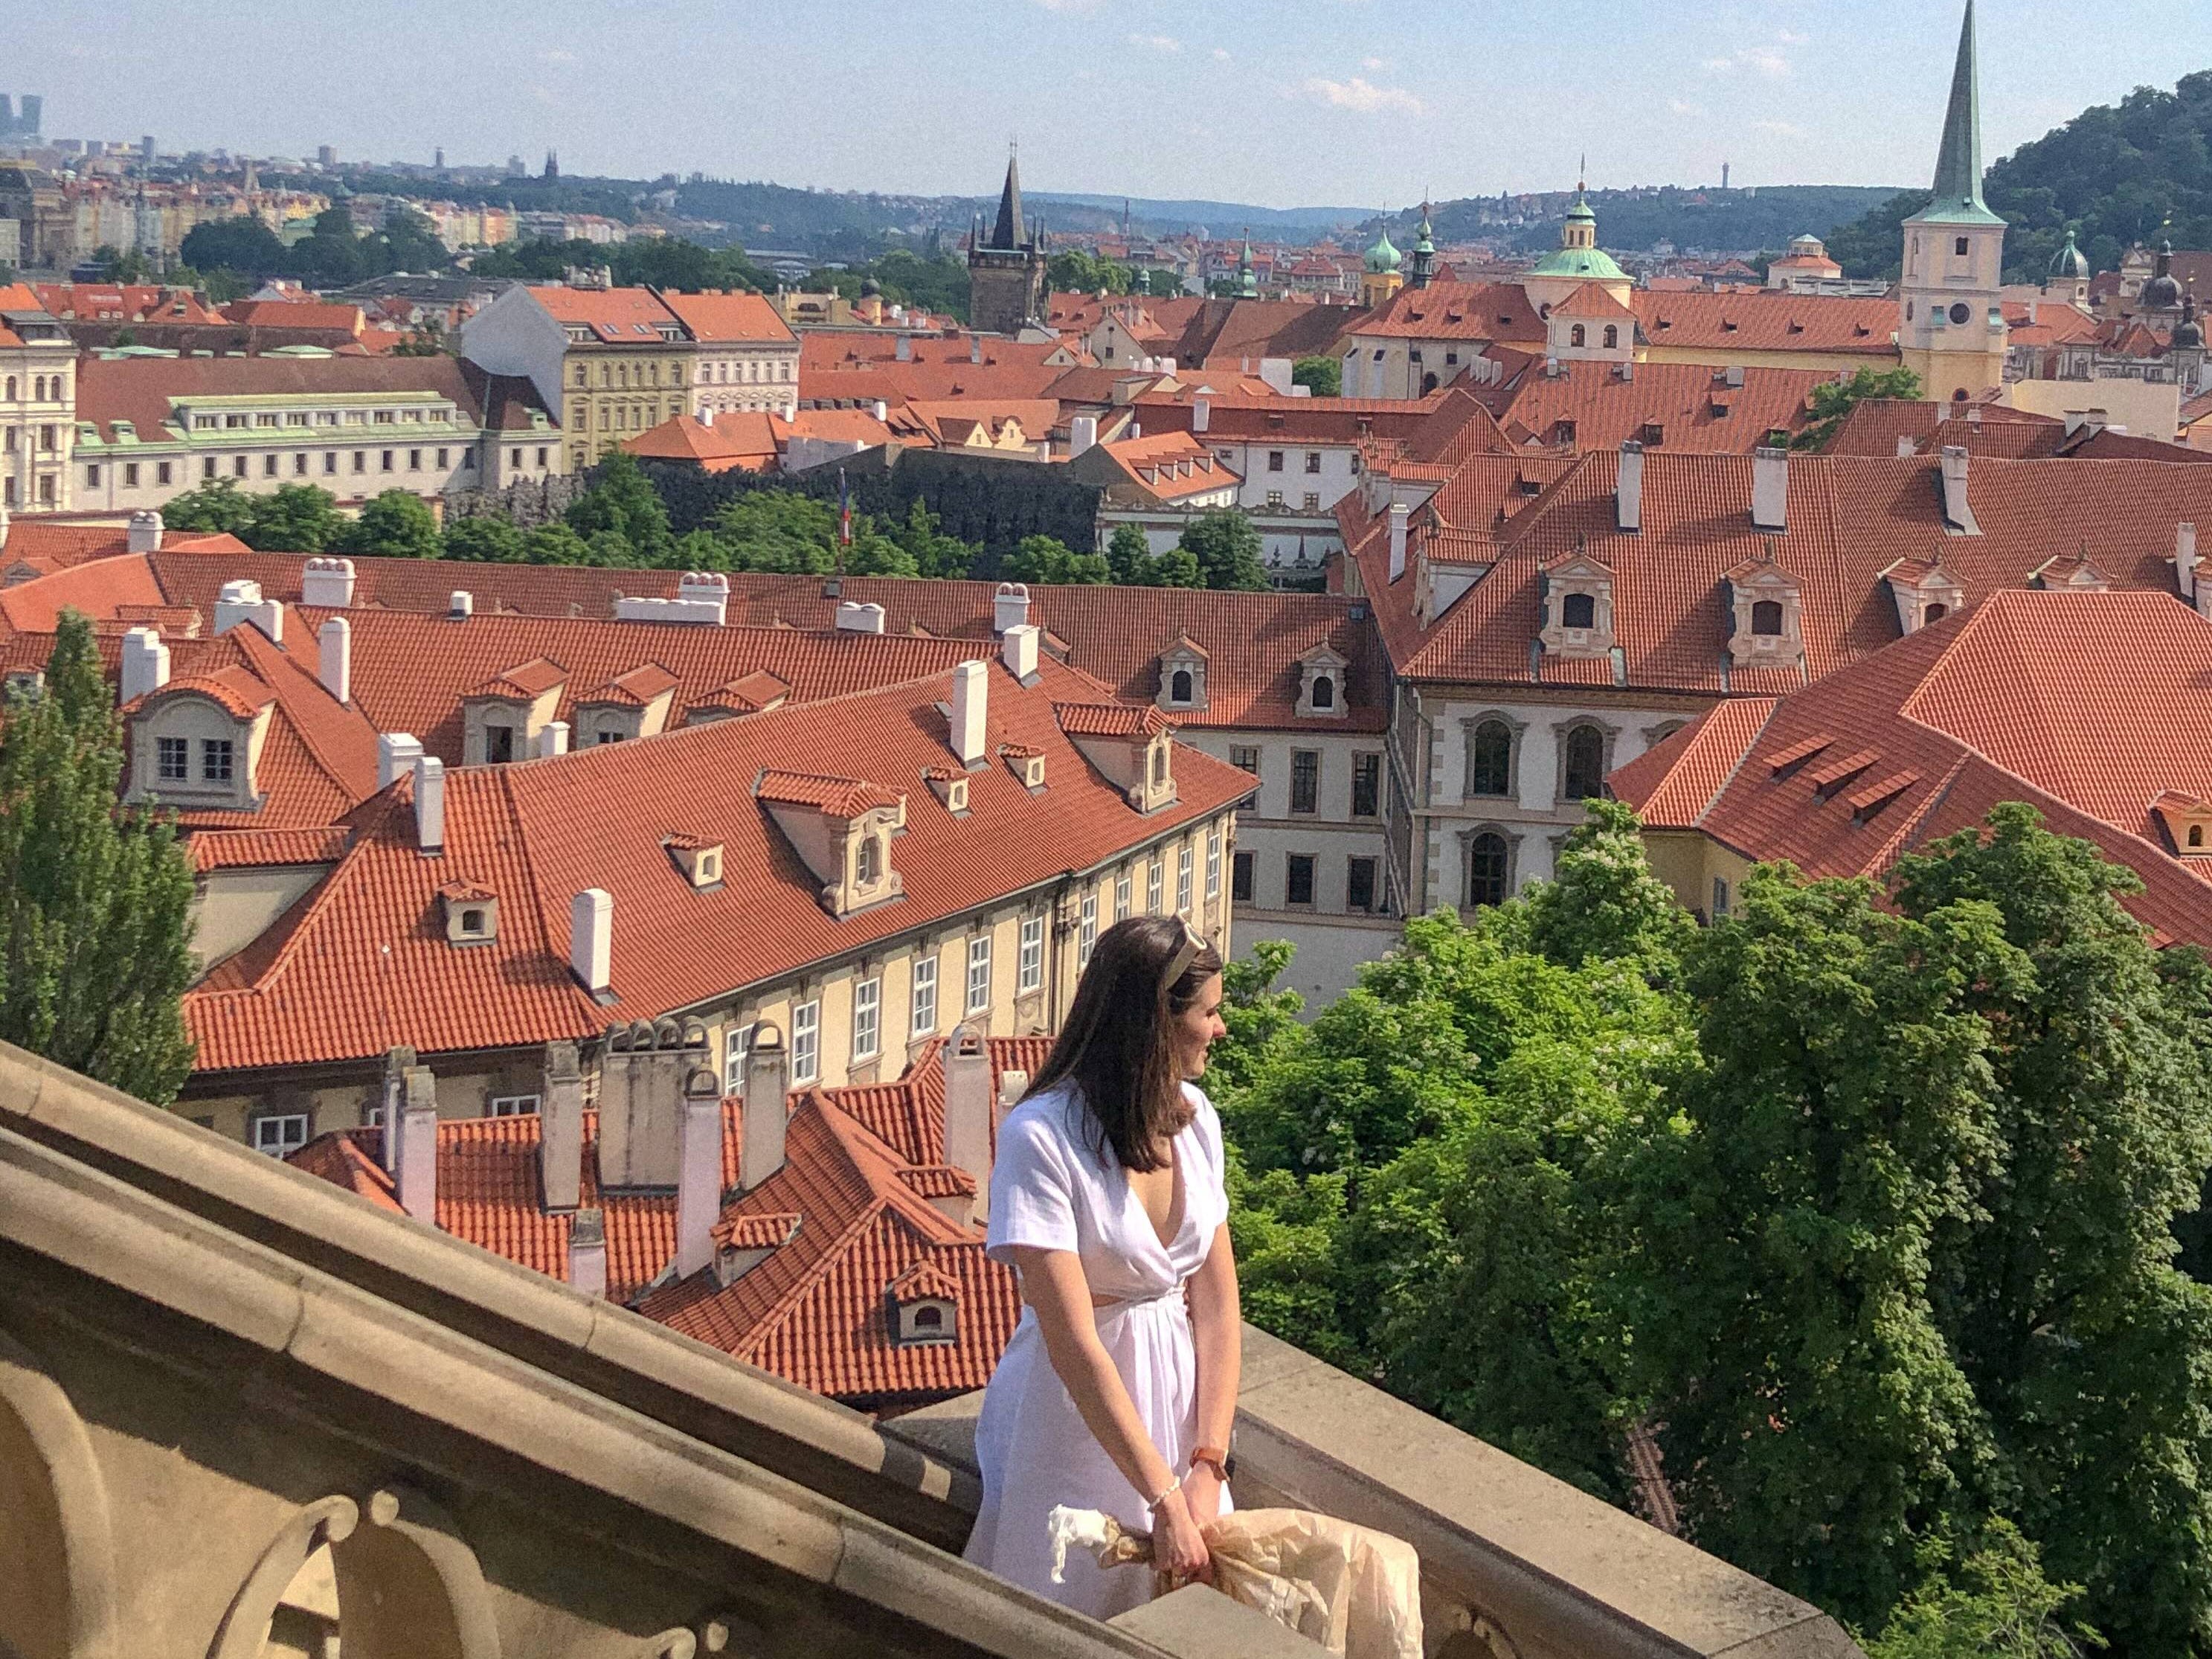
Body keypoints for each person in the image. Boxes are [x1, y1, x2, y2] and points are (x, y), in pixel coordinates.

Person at [962, 914, 1241, 1619]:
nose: (1221, 1030)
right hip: (1071, 1424)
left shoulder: (1197, 1119)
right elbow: (1073, 1342)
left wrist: (1206, 1466)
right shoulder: (1040, 1137)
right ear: (1156, 1022)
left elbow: (1217, 1309)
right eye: (1209, 1014)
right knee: (1068, 1616)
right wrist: (1162, 1495)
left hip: (1178, 1419)